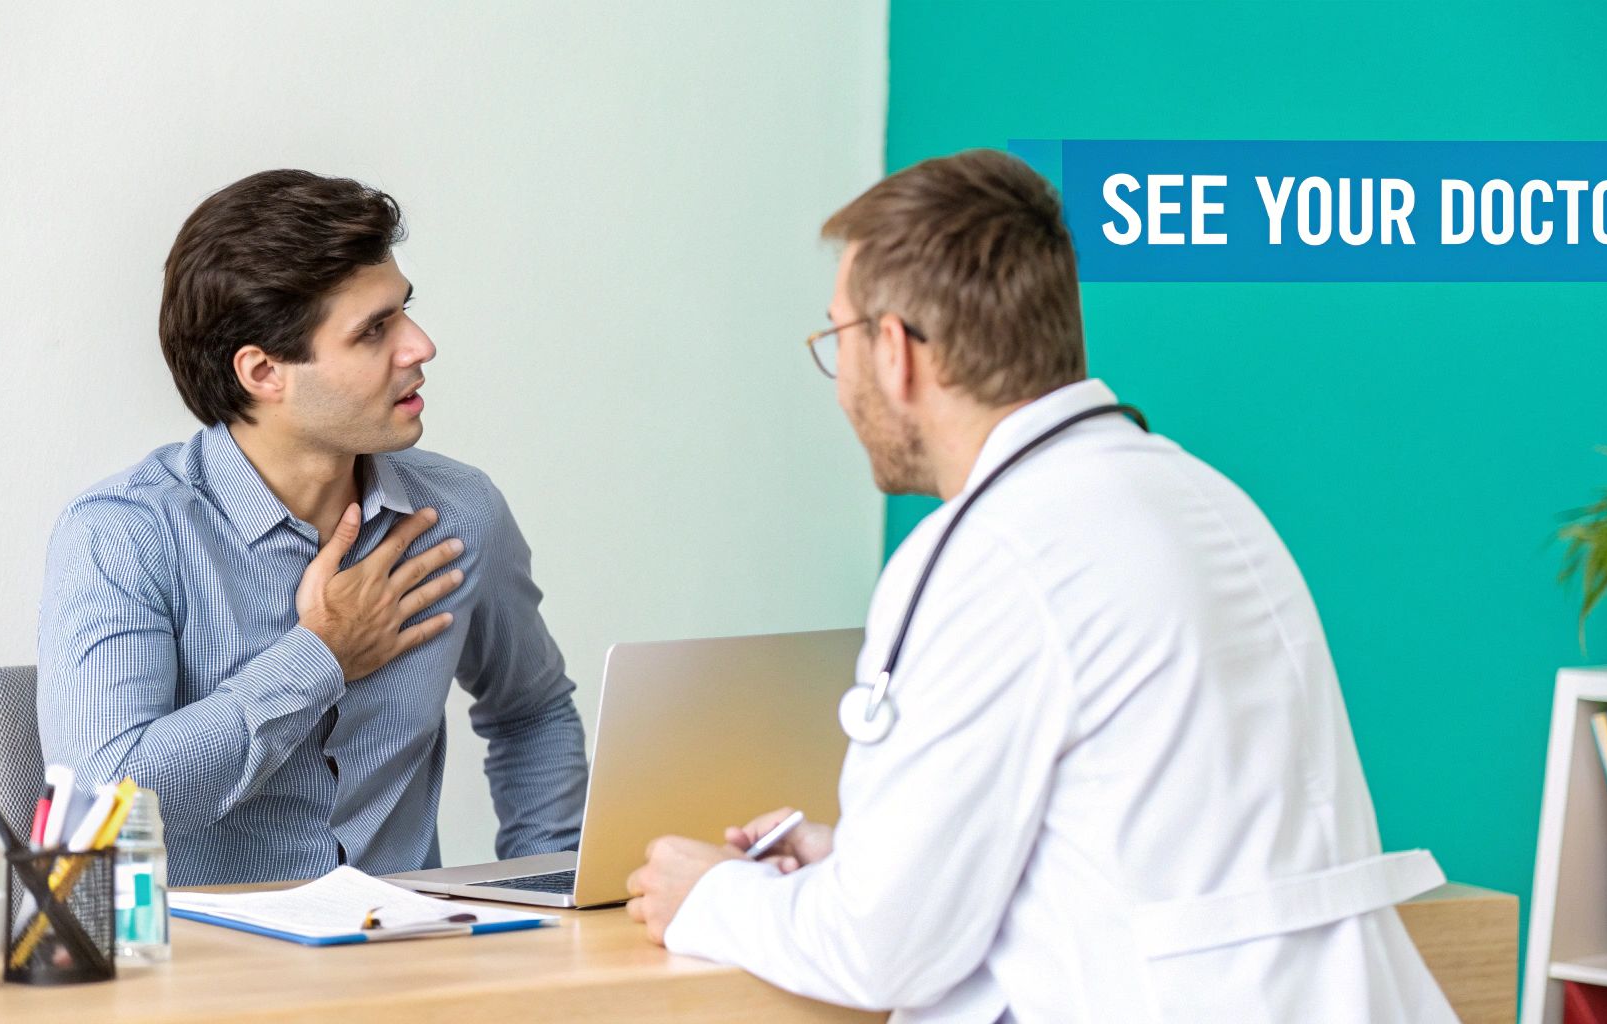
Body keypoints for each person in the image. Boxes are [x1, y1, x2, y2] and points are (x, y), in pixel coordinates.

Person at [624, 150, 1456, 1022]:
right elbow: (1152, 843)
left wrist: (714, 897)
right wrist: (860, 859)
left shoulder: (992, 552)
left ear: (896, 349)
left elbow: (883, 953)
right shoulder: (1204, 498)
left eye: (839, 339)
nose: (841, 389)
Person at [37, 170, 587, 886]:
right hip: (201, 980)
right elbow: (97, 807)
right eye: (373, 331)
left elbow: (532, 711)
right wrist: (319, 656)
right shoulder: (122, 536)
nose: (420, 346)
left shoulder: (459, 513)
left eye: (404, 311)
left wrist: (546, 901)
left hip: (407, 969)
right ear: (264, 372)